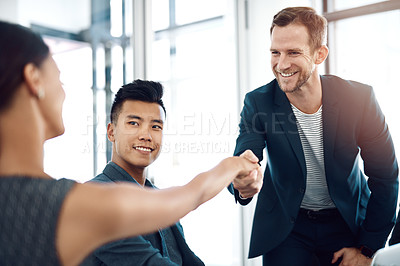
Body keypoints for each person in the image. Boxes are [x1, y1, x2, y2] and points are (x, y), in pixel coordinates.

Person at [0, 20, 261, 266]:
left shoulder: (57, 201)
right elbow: (189, 196)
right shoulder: (71, 204)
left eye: (155, 126)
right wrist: (234, 164)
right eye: (58, 77)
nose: (64, 91)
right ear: (34, 80)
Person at [228, 6, 399, 266]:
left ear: (320, 54)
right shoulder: (258, 102)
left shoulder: (359, 100)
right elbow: (245, 154)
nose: (282, 64)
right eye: (275, 52)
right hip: (289, 228)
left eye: (294, 52)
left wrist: (367, 248)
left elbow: (385, 176)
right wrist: (243, 179)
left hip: (347, 222)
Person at [82, 80, 204, 265]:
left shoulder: (162, 202)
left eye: (156, 126)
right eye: (134, 123)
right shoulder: (92, 197)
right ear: (111, 131)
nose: (146, 135)